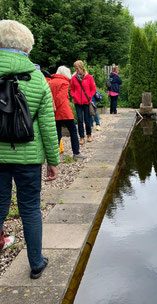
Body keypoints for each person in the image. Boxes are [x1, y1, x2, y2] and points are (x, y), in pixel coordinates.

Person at [0, 20, 59, 278]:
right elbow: (47, 124)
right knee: (31, 209)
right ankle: (36, 263)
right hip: (29, 157)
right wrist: (53, 161)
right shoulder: (38, 79)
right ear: (27, 46)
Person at [49, 66, 87, 160]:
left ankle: (53, 155)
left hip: (54, 112)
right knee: (73, 131)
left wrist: (52, 107)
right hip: (64, 111)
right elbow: (60, 98)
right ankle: (76, 153)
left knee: (57, 133)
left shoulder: (50, 82)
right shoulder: (64, 83)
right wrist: (56, 106)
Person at [70, 60, 96, 145]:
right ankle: (81, 137)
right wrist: (74, 96)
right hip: (77, 102)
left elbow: (93, 89)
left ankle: (89, 135)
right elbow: (71, 89)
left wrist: (89, 96)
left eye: (77, 68)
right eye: (75, 68)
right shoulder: (74, 78)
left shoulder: (89, 77)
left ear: (81, 67)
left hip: (86, 102)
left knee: (87, 120)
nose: (76, 70)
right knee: (80, 120)